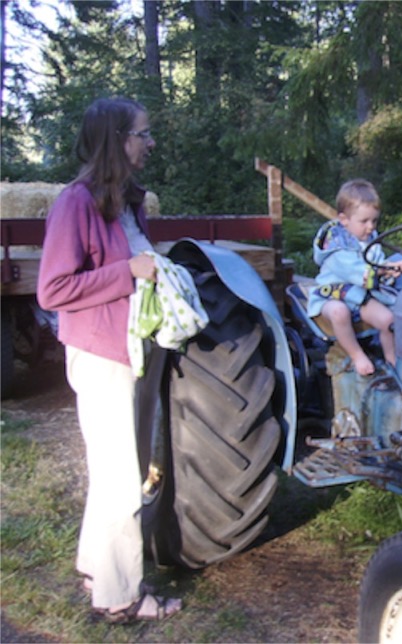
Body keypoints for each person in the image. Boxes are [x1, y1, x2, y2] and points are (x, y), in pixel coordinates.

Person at [36, 97, 182, 623]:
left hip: (130, 351)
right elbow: (53, 289)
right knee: (122, 477)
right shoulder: (76, 203)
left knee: (115, 470)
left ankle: (97, 567)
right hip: (101, 355)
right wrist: (131, 271)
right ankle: (121, 597)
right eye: (144, 133)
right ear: (117, 139)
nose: (151, 142)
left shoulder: (126, 201)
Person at [307, 179, 402, 375]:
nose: (370, 227)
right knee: (339, 312)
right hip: (333, 295)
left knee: (389, 321)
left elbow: (377, 264)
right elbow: (358, 273)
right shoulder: (336, 247)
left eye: (374, 220)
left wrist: (392, 269)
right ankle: (357, 355)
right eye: (364, 221)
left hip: (361, 297)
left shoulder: (371, 240)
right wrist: (384, 269)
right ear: (344, 219)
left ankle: (394, 365)